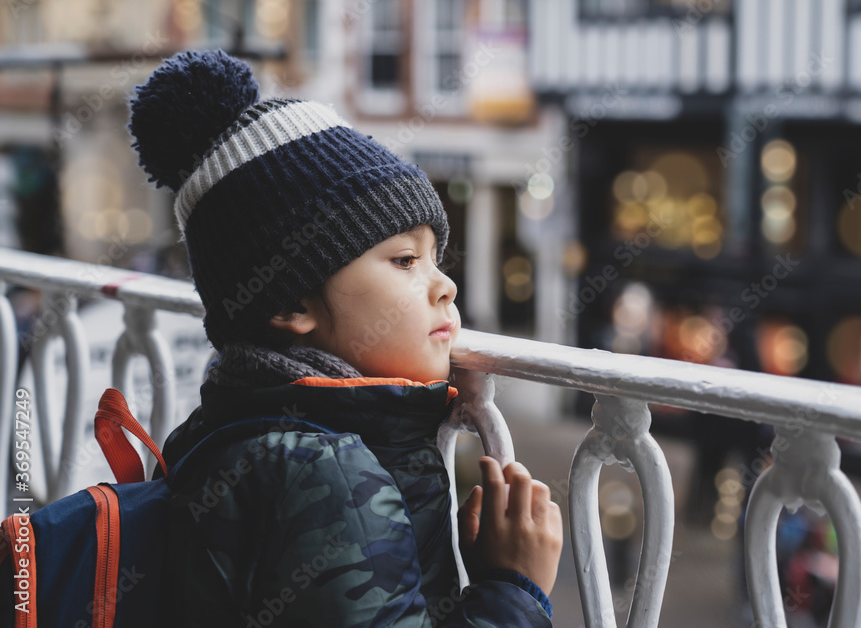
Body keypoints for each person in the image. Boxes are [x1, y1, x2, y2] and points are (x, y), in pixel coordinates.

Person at [127, 49, 562, 627]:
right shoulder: (324, 473)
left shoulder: (228, 428)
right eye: (406, 260)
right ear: (290, 303)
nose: (446, 286)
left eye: (437, 258)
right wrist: (515, 588)